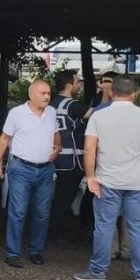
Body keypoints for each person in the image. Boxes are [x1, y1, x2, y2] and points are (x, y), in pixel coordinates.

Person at [75, 76, 140, 280]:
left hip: (108, 180)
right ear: (135, 94)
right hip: (138, 181)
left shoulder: (99, 116)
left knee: (104, 227)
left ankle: (98, 271)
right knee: (138, 229)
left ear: (112, 93)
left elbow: (89, 149)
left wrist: (91, 176)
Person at [0, 80, 61, 267]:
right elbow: (4, 139)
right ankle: (12, 253)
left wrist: (59, 146)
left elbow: (56, 134)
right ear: (31, 95)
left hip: (46, 169)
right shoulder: (17, 113)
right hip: (21, 168)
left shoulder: (51, 112)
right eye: (43, 93)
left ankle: (35, 250)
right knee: (18, 212)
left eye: (48, 93)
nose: (47, 96)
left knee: (42, 213)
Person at [49, 69, 91, 243]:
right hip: (71, 160)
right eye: (77, 82)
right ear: (69, 85)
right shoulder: (72, 105)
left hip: (55, 158)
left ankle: (55, 232)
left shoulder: (51, 104)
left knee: (58, 197)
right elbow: (97, 115)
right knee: (65, 198)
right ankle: (58, 234)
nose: (79, 85)